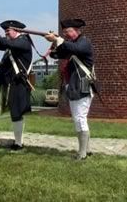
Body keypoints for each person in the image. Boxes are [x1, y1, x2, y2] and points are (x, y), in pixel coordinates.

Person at [44, 18, 95, 160]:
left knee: (80, 118)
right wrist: (55, 41)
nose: (66, 34)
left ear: (77, 31)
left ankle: (82, 154)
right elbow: (57, 54)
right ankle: (87, 150)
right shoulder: (72, 44)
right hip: (73, 85)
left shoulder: (84, 42)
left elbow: (76, 49)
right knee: (78, 118)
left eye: (69, 31)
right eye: (64, 32)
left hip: (82, 85)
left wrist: (59, 40)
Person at [0, 20, 32, 151]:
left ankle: (19, 143)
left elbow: (7, 43)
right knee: (15, 113)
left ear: (17, 30)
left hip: (19, 82)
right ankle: (18, 141)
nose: (6, 34)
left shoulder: (23, 41)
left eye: (8, 31)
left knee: (17, 112)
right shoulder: (14, 43)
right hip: (13, 82)